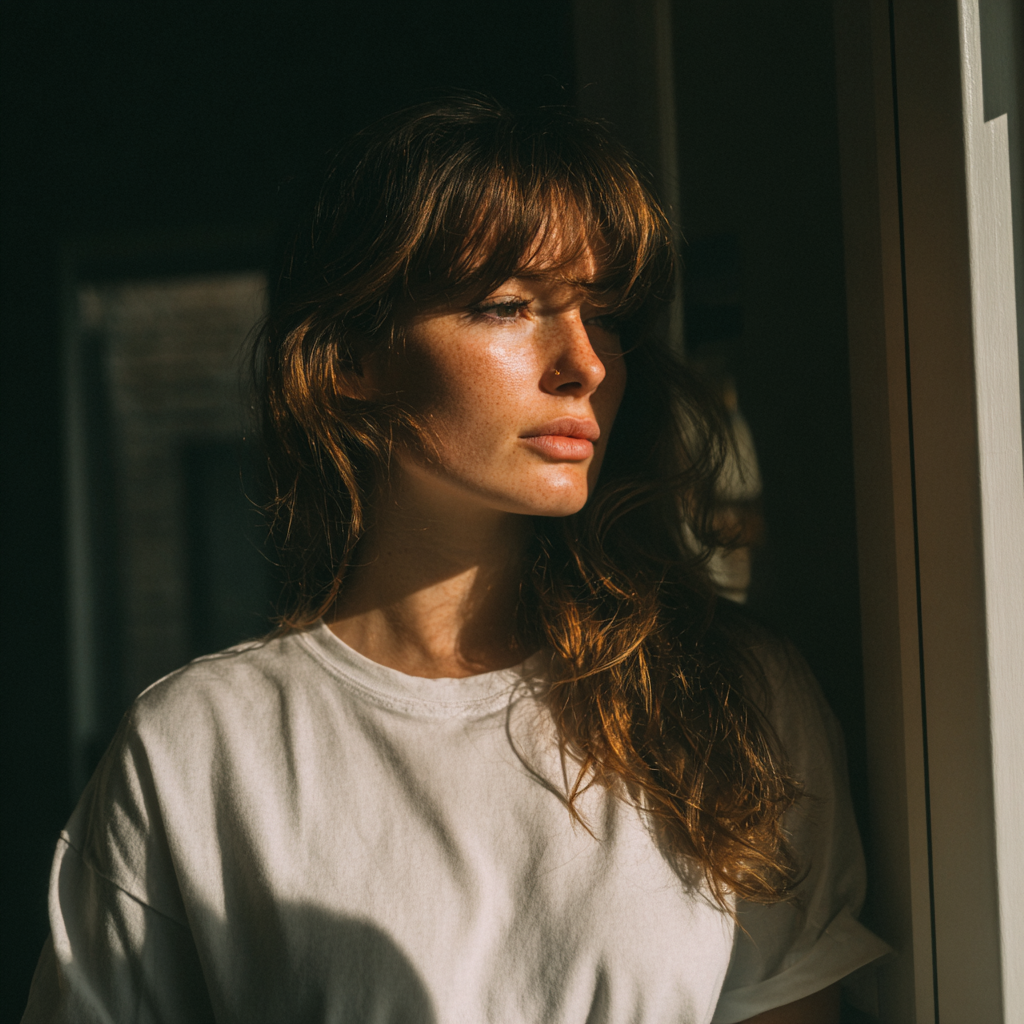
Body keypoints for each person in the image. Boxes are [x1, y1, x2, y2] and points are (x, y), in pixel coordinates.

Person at [23, 97, 889, 1023]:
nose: (585, 362)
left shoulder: (727, 697)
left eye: (602, 313)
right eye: (509, 306)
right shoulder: (201, 749)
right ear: (354, 356)